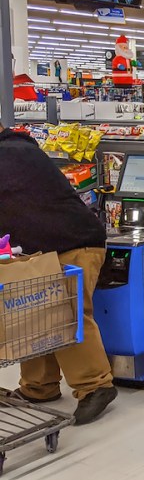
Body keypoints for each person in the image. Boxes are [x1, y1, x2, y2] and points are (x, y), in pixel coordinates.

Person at [0, 129, 118, 425]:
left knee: (69, 314)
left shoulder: (12, 155)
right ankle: (39, 388)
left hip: (74, 243)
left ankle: (96, 386)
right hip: (45, 245)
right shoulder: (20, 149)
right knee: (34, 316)